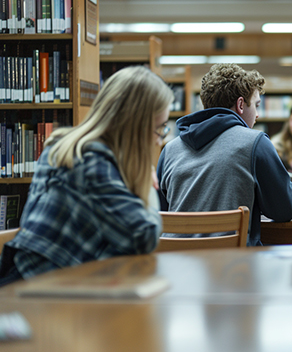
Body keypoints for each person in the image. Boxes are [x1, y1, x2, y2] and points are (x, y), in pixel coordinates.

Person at [0, 66, 173, 287]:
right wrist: (147, 182)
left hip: (44, 279)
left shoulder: (65, 145)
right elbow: (144, 236)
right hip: (41, 292)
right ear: (134, 127)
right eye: (159, 128)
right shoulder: (90, 162)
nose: (159, 140)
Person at [157, 63, 292, 246]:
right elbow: (284, 210)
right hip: (233, 268)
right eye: (255, 105)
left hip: (176, 266)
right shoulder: (255, 143)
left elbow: (160, 214)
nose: (256, 115)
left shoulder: (169, 149)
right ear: (241, 105)